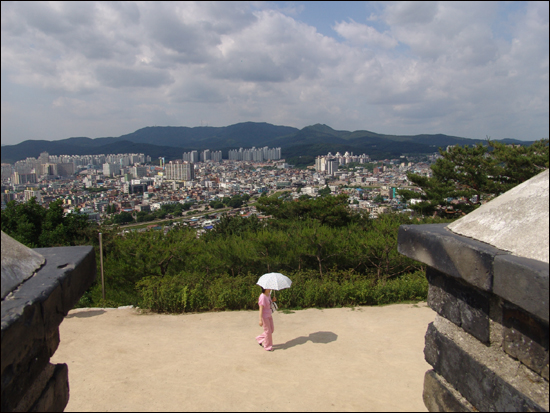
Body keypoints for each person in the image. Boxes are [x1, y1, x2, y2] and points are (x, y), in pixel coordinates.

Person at [256, 287, 277, 351]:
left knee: (271, 330)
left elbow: (269, 303)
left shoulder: (268, 294)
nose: (270, 288)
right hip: (265, 316)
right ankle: (267, 346)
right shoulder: (262, 297)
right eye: (268, 287)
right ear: (264, 288)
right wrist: (260, 320)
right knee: (268, 331)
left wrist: (272, 300)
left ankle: (259, 338)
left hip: (269, 314)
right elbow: (261, 308)